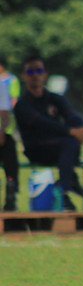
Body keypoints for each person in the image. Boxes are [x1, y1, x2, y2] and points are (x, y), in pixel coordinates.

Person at [13, 55, 83, 212]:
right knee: (70, 142)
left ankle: (66, 186)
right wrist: (71, 132)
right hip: (36, 148)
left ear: (45, 74)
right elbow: (43, 124)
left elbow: (72, 116)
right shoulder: (22, 104)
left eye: (39, 70)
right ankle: (66, 190)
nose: (35, 75)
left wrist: (81, 129)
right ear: (24, 76)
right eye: (31, 71)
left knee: (72, 135)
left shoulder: (55, 98)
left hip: (59, 145)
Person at [0, 55, 19, 210]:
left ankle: (11, 188)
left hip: (2, 135)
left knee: (8, 145)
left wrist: (1, 131)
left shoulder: (5, 83)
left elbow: (5, 112)